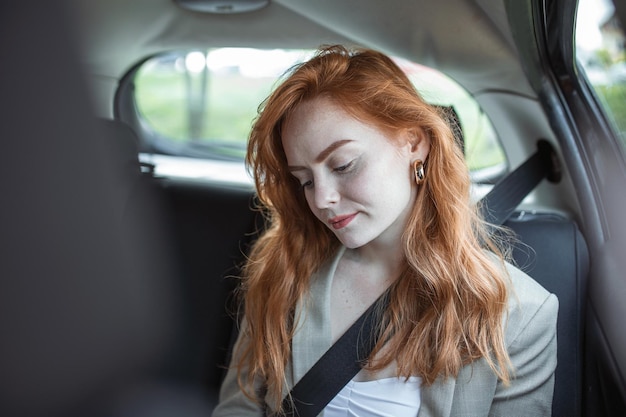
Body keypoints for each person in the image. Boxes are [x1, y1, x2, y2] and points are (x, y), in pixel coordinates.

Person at [212, 45, 558, 417]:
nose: (323, 199)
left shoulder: (519, 314)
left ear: (414, 143)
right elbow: (239, 408)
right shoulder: (283, 273)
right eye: (305, 180)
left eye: (343, 165)